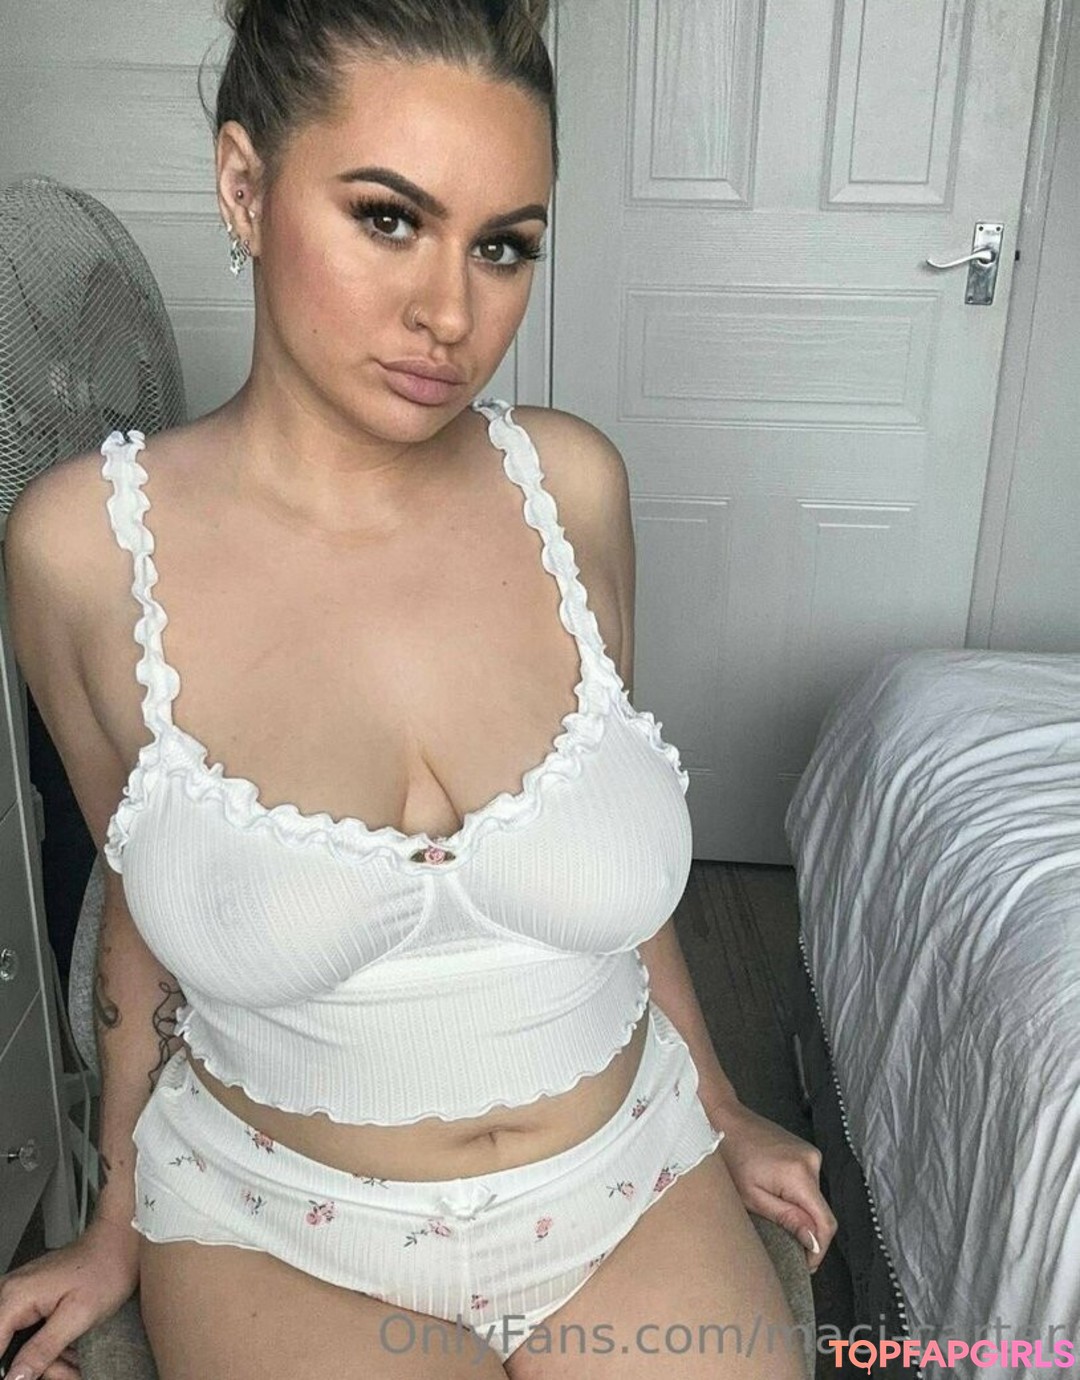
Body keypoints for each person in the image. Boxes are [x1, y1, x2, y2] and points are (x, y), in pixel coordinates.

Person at [0, 2, 836, 1376]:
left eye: (503, 245)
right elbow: (141, 908)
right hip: (277, 1230)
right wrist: (114, 1220)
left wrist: (722, 1099)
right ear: (245, 187)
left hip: (628, 1179)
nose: (452, 314)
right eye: (389, 219)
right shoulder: (84, 554)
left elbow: (615, 876)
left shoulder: (570, 489)